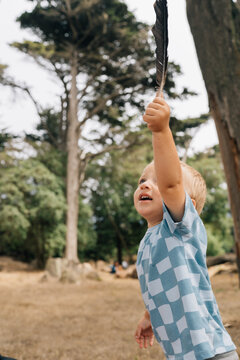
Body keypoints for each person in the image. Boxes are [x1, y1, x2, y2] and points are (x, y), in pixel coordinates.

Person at [133, 94, 238, 360]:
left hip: (212, 351)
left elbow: (171, 184)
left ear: (187, 203)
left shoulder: (180, 228)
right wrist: (148, 316)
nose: (145, 184)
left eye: (157, 180)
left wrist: (161, 130)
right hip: (182, 354)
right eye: (143, 179)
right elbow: (160, 283)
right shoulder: (149, 240)